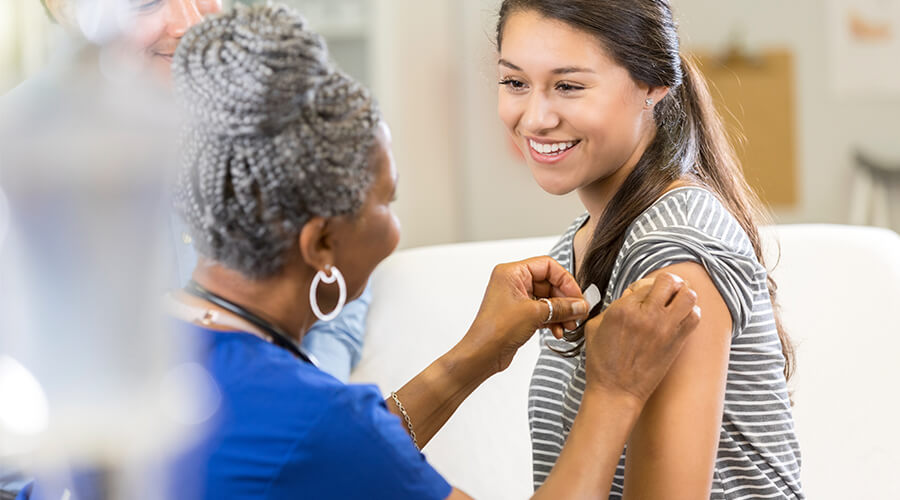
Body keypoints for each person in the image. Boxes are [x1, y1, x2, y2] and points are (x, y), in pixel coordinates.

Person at [19, 4, 703, 499]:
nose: (395, 224)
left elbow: (331, 460)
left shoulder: (163, 343)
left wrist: (475, 356)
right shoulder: (314, 420)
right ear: (320, 243)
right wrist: (615, 390)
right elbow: (336, 446)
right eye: (385, 200)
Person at [493, 1, 803, 498]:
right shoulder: (582, 239)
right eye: (515, 82)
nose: (535, 117)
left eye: (569, 85)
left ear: (653, 84)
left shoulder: (671, 252)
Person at [34, 0, 368, 381]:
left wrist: (314, 384)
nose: (192, 23)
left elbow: (337, 269)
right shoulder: (26, 165)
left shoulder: (266, 111)